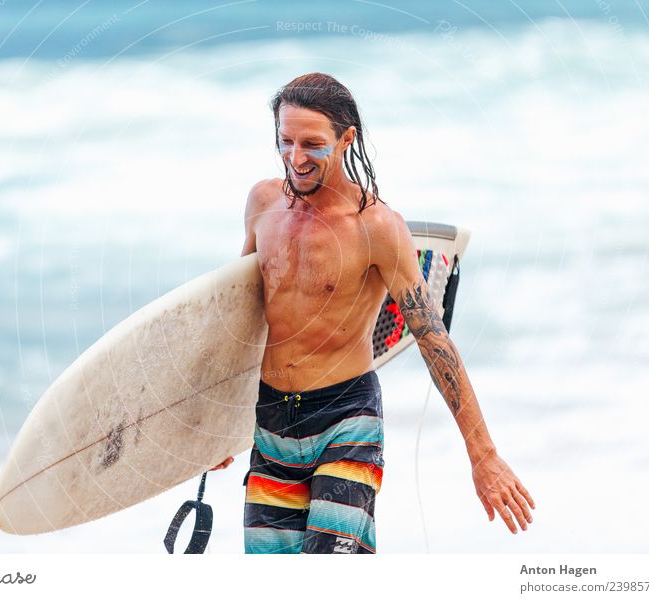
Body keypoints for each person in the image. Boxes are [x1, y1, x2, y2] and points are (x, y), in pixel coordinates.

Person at [210, 72, 534, 554]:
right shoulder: (262, 204)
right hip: (270, 419)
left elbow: (433, 338)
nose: (296, 158)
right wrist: (216, 427)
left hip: (346, 417)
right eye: (286, 141)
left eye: (313, 144)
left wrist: (483, 454)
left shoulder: (377, 227)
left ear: (346, 139)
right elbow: (244, 318)